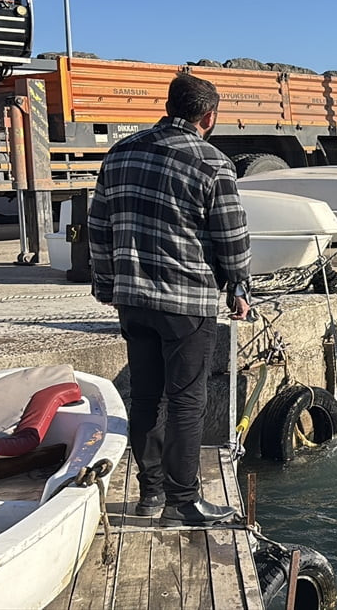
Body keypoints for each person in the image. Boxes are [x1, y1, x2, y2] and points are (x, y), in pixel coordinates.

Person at [88, 73, 251, 527]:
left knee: (146, 398)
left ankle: (150, 494)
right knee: (185, 402)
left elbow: (99, 227)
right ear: (209, 117)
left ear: (168, 106)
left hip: (133, 300)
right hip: (186, 303)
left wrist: (107, 285)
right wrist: (239, 286)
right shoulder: (213, 163)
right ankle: (183, 502)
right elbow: (232, 238)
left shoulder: (119, 153)